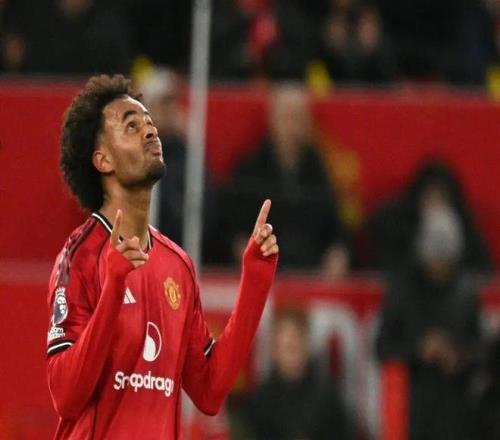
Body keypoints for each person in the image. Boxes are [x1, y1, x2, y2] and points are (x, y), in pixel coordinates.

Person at [46, 74, 279, 438]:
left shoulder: (177, 265)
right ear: (103, 160)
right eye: (132, 125)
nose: (150, 131)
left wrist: (255, 280)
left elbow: (209, 391)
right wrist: (114, 288)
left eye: (149, 122)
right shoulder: (81, 257)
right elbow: (66, 395)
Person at [376, 205, 481, 440]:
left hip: (455, 411)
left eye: (445, 261)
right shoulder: (403, 289)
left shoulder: (466, 291)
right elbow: (382, 346)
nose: (439, 268)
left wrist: (460, 357)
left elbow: (480, 348)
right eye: (434, 260)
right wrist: (418, 349)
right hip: (412, 408)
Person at [225, 84, 349, 277]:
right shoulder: (250, 168)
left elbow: (336, 229)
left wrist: (337, 255)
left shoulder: (319, 170)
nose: (293, 126)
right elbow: (235, 227)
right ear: (272, 119)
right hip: (263, 270)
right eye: (288, 117)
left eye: (299, 118)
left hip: (311, 271)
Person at [245, 308, 349, 439]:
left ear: (307, 345)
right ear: (275, 350)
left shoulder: (328, 395)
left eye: (297, 343)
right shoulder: (261, 399)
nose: (293, 351)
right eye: (287, 346)